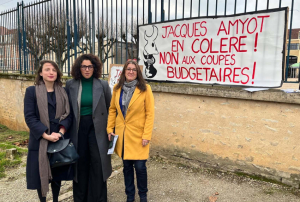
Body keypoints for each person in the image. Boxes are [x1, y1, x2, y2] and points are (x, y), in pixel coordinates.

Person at [24, 60, 73, 202]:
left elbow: (68, 115)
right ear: (40, 73)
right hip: (40, 140)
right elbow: (30, 117)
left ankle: (56, 199)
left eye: (53, 69)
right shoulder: (31, 91)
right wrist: (45, 135)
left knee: (57, 173)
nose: (51, 72)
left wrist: (61, 133)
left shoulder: (63, 91)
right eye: (47, 69)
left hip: (58, 139)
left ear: (57, 73)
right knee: (41, 174)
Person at [107, 59, 155, 202]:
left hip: (139, 136)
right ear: (124, 72)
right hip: (122, 136)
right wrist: (110, 129)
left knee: (140, 167)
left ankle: (143, 195)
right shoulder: (117, 88)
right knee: (126, 167)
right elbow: (112, 110)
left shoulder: (145, 89)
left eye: (134, 69)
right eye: (128, 69)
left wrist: (147, 135)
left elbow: (150, 114)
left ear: (138, 72)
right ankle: (130, 195)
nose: (131, 72)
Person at [65, 54, 112, 202]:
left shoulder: (102, 85)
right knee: (80, 162)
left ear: (95, 68)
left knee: (98, 162)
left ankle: (98, 198)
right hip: (78, 128)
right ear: (79, 68)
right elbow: (66, 108)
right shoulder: (70, 84)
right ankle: (80, 198)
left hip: (97, 128)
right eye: (84, 66)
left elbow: (111, 108)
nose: (87, 69)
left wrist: (111, 128)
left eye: (90, 66)